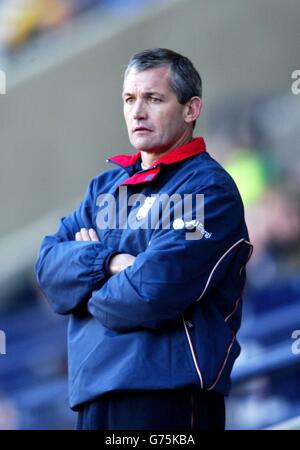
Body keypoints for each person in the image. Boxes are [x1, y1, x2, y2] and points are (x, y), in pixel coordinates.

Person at [35, 48, 252, 430]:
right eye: (129, 99)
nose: (137, 112)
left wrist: (87, 282)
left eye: (153, 99)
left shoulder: (209, 190)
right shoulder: (105, 188)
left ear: (191, 109)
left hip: (168, 398)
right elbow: (49, 272)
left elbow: (150, 294)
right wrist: (109, 263)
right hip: (93, 394)